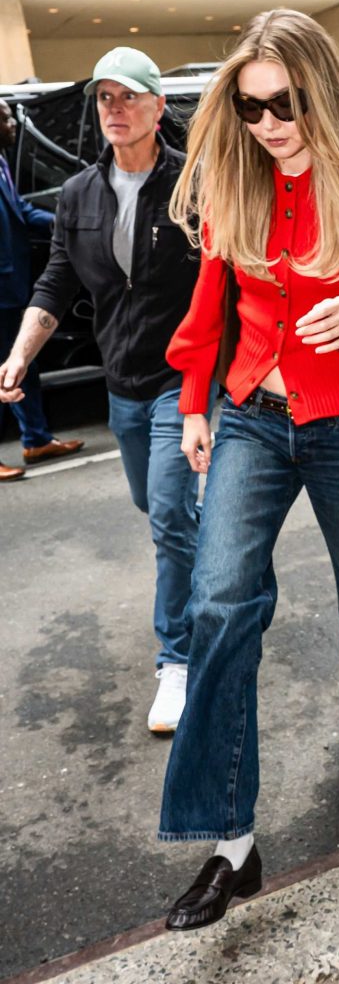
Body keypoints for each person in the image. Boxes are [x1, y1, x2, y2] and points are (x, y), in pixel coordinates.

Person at [157, 8, 339, 930]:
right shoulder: (235, 183)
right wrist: (195, 403)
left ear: (321, 89)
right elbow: (208, 309)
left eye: (286, 103)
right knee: (218, 605)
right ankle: (231, 844)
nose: (269, 124)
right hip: (251, 418)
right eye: (249, 107)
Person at [0, 47, 213, 730]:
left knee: (172, 520)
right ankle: (228, 575)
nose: (114, 110)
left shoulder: (194, 188)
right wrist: (19, 354)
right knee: (155, 503)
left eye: (128, 97)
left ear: (157, 107)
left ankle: (177, 662)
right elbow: (58, 280)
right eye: (104, 99)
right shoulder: (78, 195)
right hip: (121, 383)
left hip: (181, 380)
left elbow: (229, 283)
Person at [0, 99, 84, 481]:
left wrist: (67, 222)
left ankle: (36, 439)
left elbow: (20, 211)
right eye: (5, 117)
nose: (13, 123)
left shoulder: (2, 163)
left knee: (24, 363)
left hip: (12, 284)